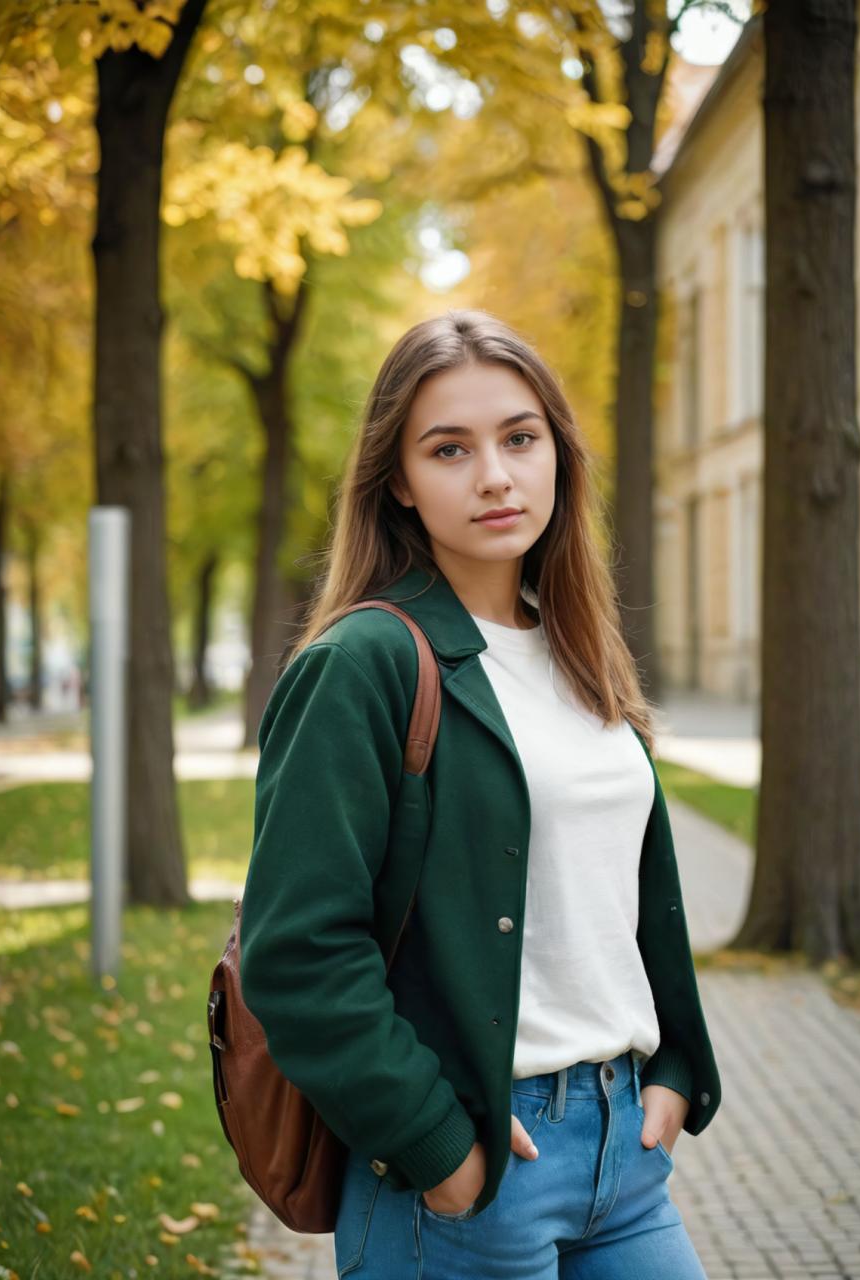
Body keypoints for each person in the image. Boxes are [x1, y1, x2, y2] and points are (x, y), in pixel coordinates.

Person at [239, 309, 721, 1279]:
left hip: (625, 1157)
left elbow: (624, 891)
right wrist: (435, 1145)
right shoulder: (362, 663)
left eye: (519, 437)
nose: (495, 475)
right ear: (401, 485)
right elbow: (296, 951)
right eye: (449, 448)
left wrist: (674, 1067)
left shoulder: (577, 648)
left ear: (558, 454)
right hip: (468, 1178)